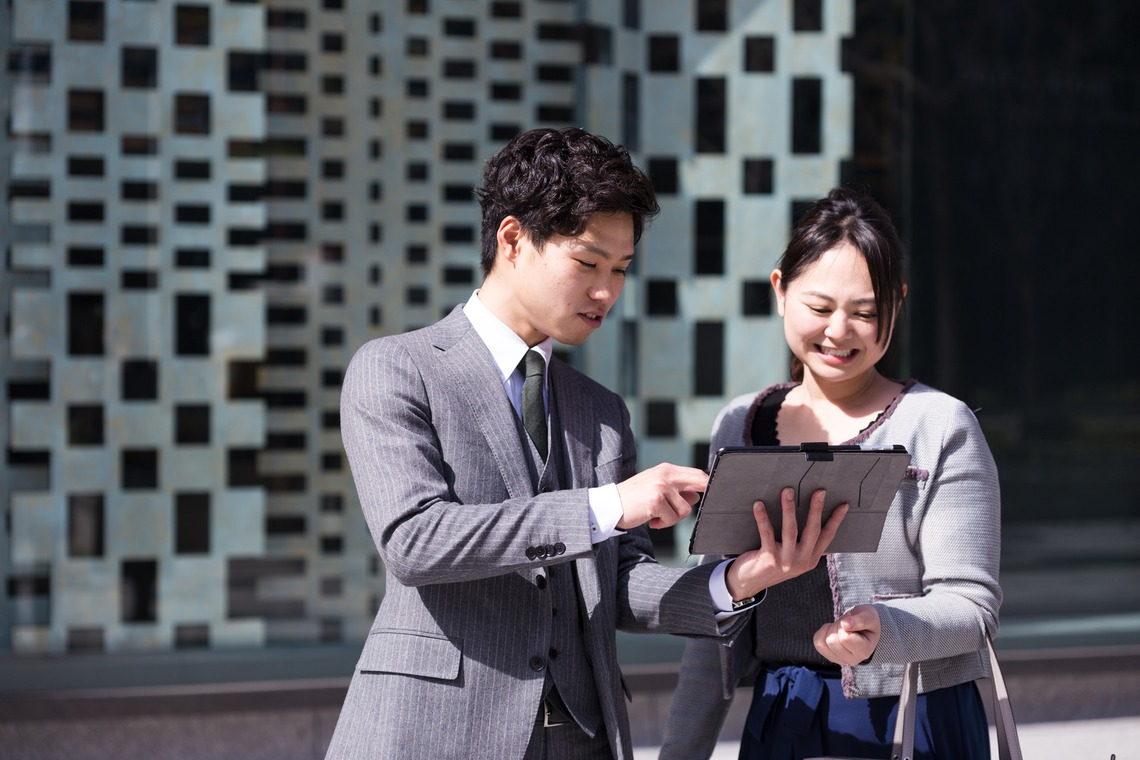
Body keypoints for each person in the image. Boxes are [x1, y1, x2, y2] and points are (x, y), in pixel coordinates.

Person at [324, 127, 847, 760]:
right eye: (588, 264)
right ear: (512, 239)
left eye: (621, 269)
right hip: (432, 731)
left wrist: (746, 577)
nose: (607, 292)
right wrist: (607, 506)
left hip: (584, 736)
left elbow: (622, 585)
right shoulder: (398, 369)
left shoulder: (600, 410)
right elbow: (415, 541)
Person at [659, 187, 1002, 760]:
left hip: (912, 714)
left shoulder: (939, 424)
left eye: (866, 313)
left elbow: (972, 606)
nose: (839, 332)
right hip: (784, 711)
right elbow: (715, 618)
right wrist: (680, 751)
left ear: (897, 303)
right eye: (820, 308)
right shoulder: (741, 424)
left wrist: (881, 630)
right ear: (780, 292)